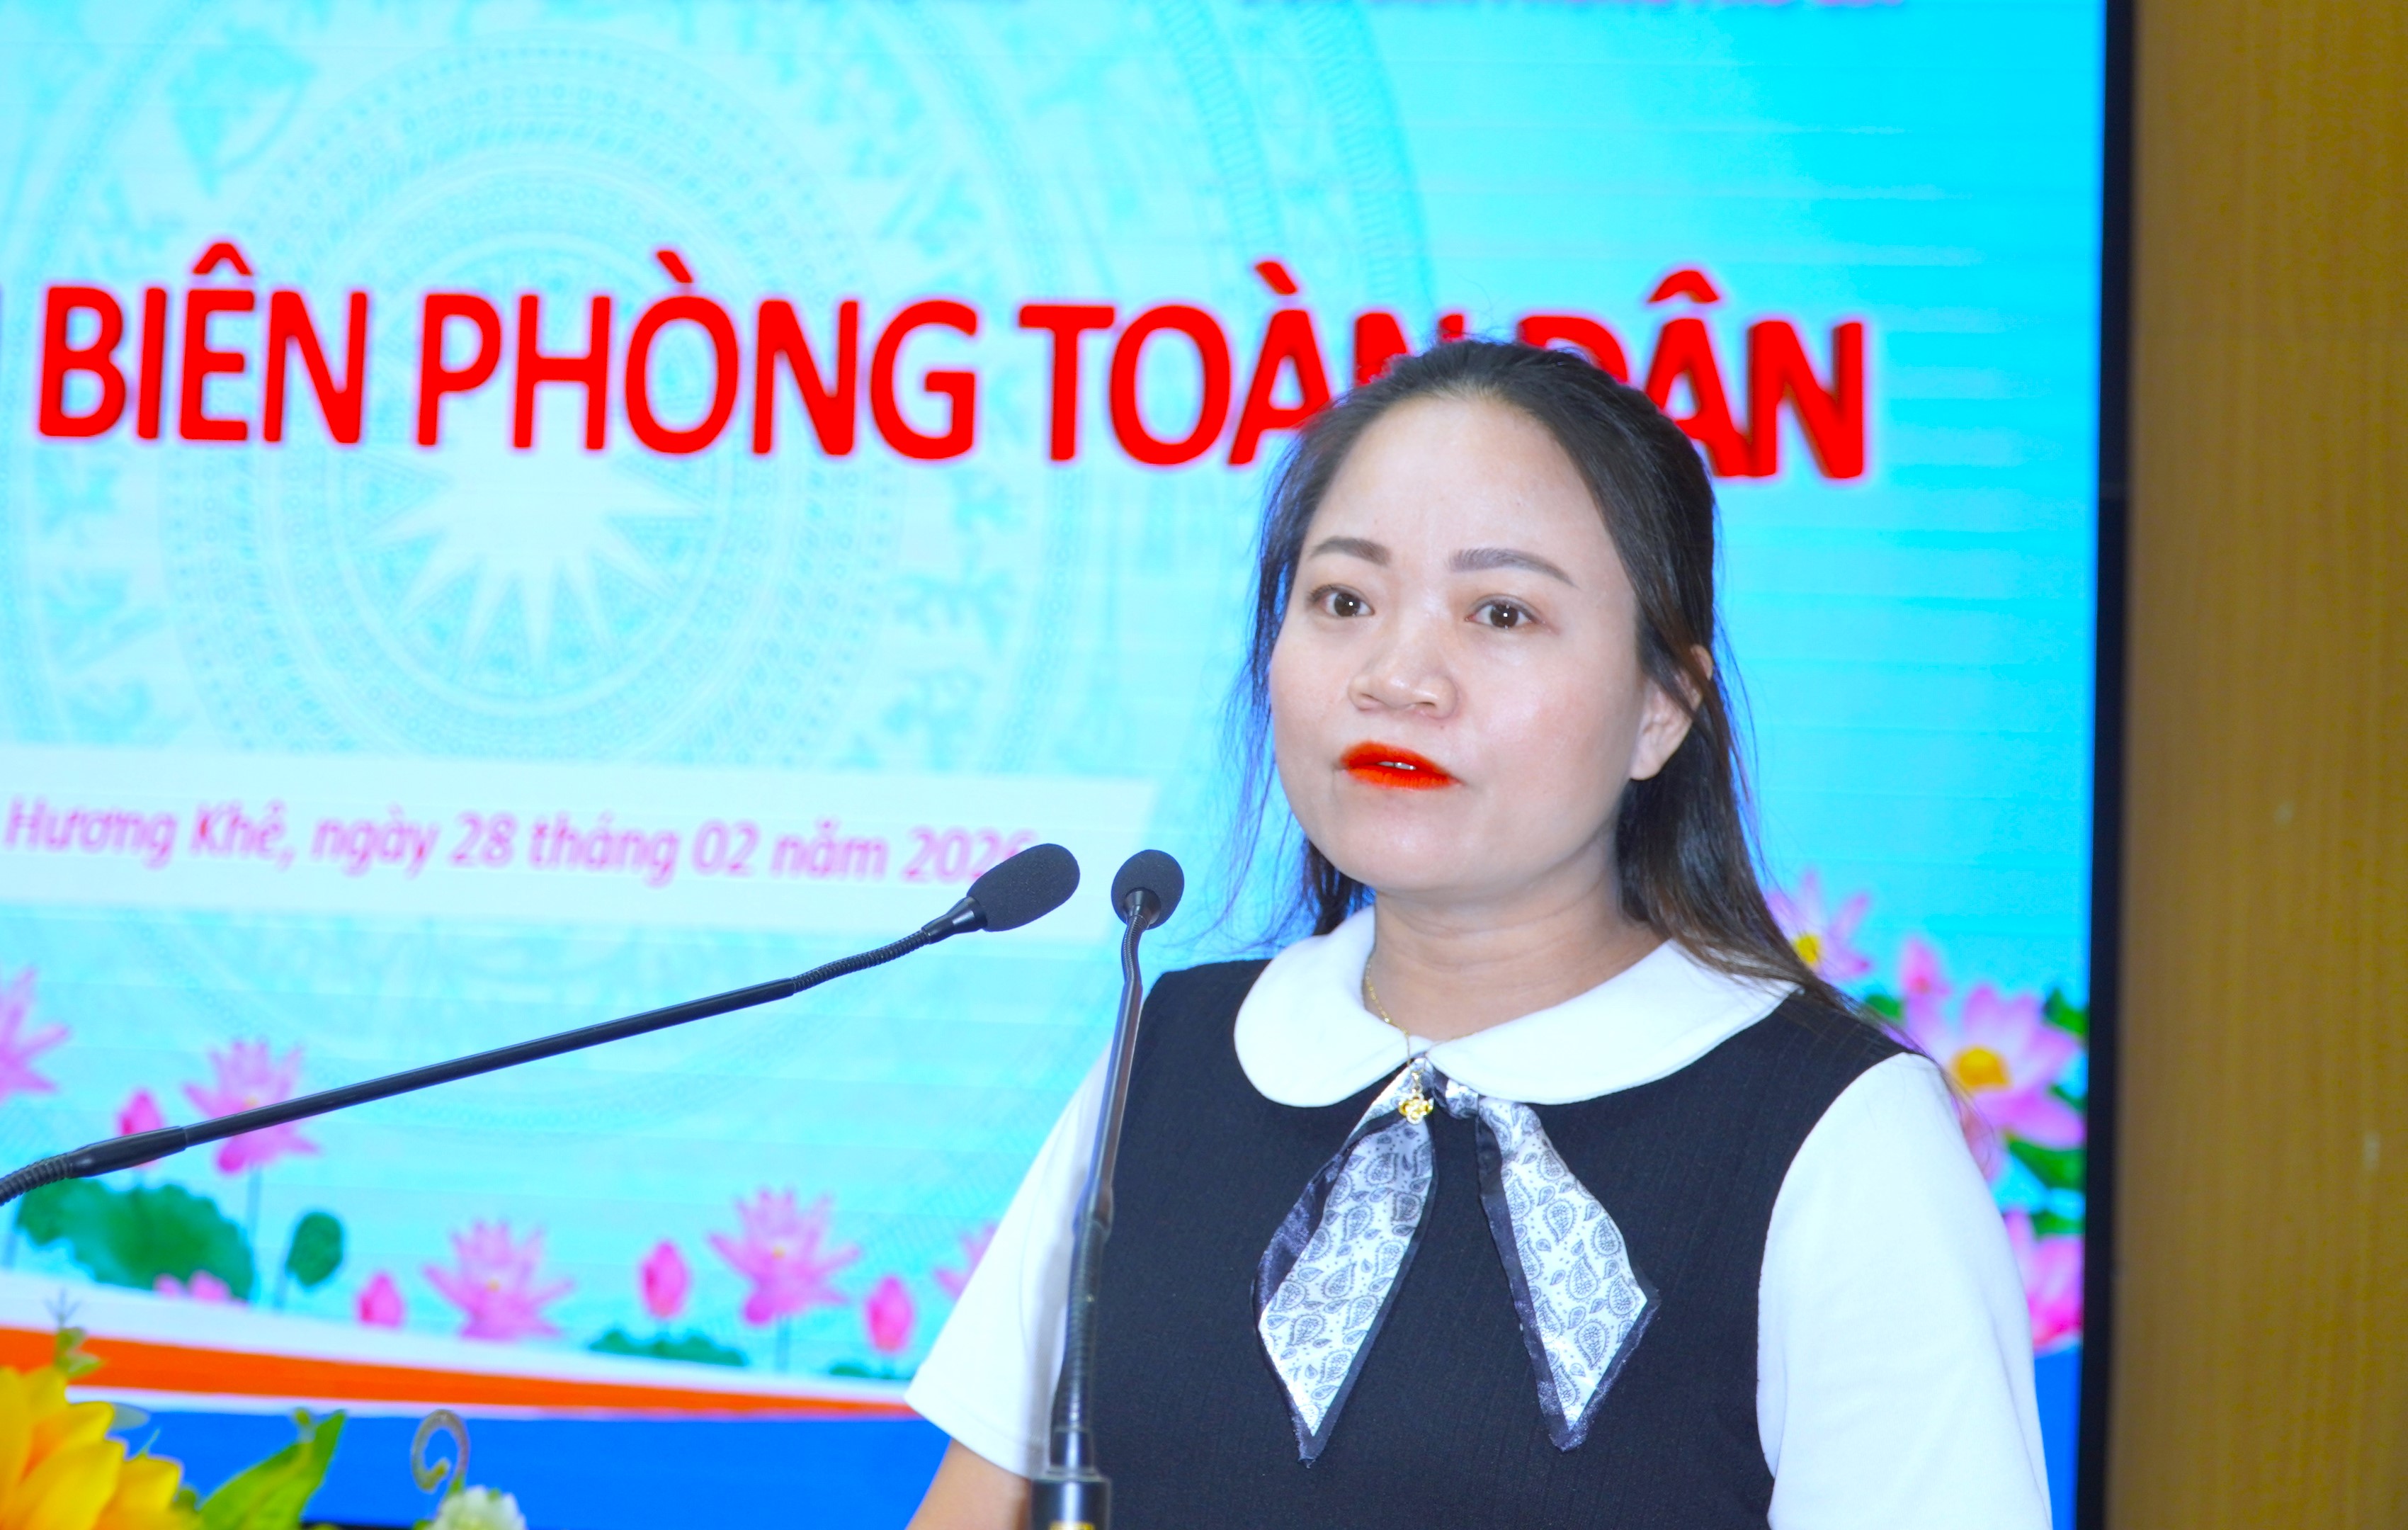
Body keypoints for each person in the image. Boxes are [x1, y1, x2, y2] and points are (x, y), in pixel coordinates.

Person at [905, 341, 2050, 1529]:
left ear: (1662, 709)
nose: (1399, 676)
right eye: (1344, 601)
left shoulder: (1837, 1132)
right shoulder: (1170, 1053)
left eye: (1502, 612)